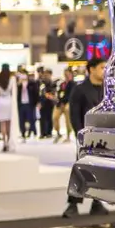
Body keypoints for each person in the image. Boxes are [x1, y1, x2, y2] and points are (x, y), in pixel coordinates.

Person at [63, 57, 109, 218]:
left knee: (100, 171)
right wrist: (80, 134)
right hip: (86, 138)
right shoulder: (80, 89)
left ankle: (97, 202)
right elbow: (74, 114)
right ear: (91, 69)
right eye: (102, 68)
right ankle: (73, 204)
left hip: (103, 138)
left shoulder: (107, 89)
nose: (105, 71)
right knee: (81, 171)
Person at [0, 64, 14, 152]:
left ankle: (4, 142)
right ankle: (8, 142)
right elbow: (13, 92)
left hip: (0, 101)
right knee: (8, 123)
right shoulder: (12, 79)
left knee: (2, 123)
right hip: (9, 101)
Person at [55, 67, 74, 141]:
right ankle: (58, 133)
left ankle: (68, 135)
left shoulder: (73, 84)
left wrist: (65, 102)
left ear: (71, 74)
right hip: (61, 102)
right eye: (65, 74)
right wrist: (60, 102)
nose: (66, 75)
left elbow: (71, 95)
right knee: (55, 116)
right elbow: (59, 94)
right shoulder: (62, 84)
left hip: (68, 102)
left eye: (67, 74)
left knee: (67, 112)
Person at [17, 67, 37, 139]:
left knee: (31, 119)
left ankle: (33, 132)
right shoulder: (18, 85)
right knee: (21, 119)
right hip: (21, 104)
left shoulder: (32, 83)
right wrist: (19, 84)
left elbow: (35, 93)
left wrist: (36, 103)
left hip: (29, 104)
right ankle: (23, 133)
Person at [38, 68, 57, 141]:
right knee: (42, 118)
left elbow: (54, 92)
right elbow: (41, 93)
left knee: (50, 117)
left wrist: (49, 95)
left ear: (50, 75)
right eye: (45, 74)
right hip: (43, 102)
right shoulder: (41, 83)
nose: (46, 76)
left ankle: (49, 132)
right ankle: (43, 133)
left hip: (50, 103)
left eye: (47, 74)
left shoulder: (53, 83)